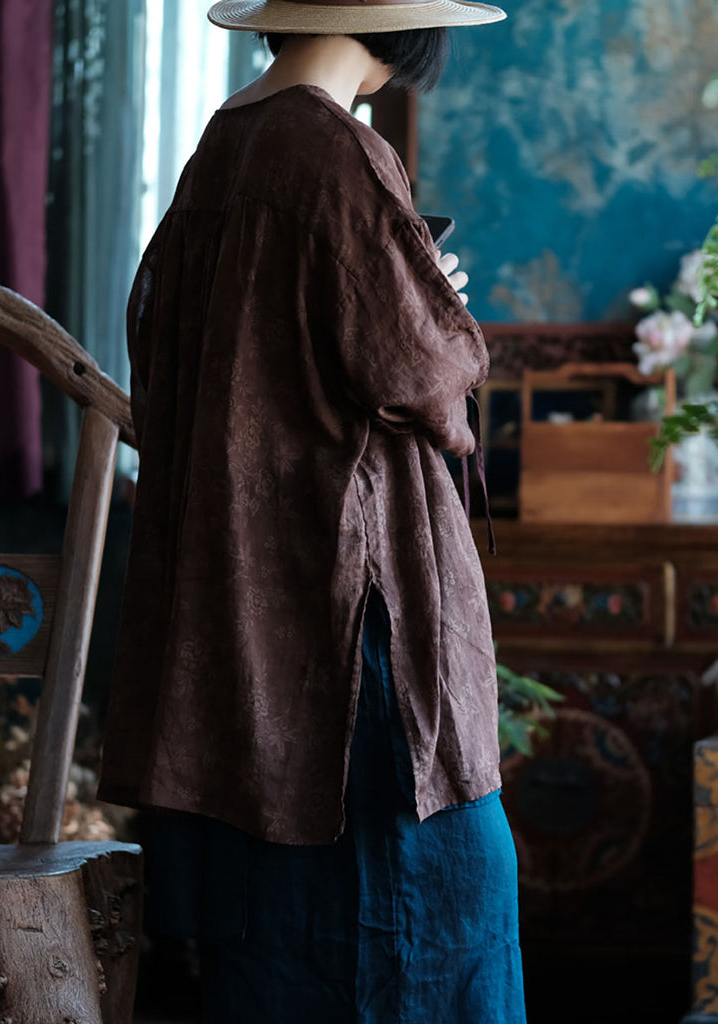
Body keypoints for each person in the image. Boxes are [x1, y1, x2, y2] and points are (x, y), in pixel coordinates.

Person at [98, 0, 527, 1020]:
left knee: (283, 911)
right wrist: (443, 305)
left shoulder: (226, 140)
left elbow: (165, 338)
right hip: (351, 599)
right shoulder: (333, 147)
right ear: (404, 28)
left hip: (254, 600)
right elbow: (420, 371)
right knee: (434, 898)